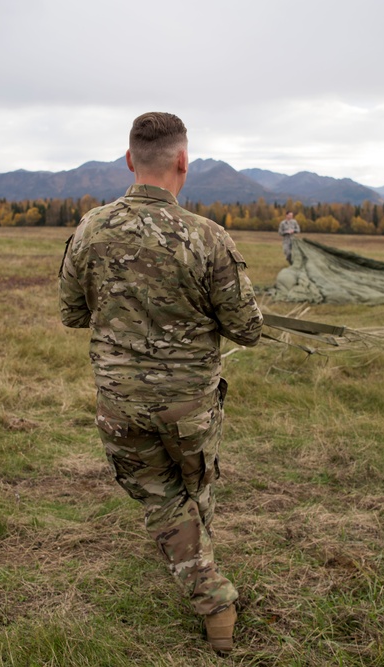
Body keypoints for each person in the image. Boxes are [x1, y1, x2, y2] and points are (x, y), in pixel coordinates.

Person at [58, 112, 262, 654]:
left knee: (163, 498)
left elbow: (72, 314)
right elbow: (247, 327)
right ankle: (214, 598)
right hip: (189, 406)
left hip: (121, 405)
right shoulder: (209, 237)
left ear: (130, 160)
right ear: (183, 163)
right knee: (192, 489)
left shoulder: (90, 229)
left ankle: (203, 580)